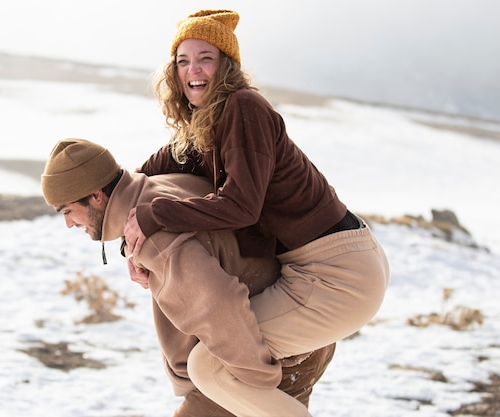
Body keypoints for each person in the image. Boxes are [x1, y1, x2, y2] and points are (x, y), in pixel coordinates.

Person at [123, 9, 390, 416]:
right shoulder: (208, 124)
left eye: (205, 58)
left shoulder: (243, 107)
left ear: (226, 65)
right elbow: (156, 167)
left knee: (211, 364)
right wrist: (130, 235)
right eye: (182, 60)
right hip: (316, 268)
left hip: (339, 273)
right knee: (222, 368)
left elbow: (241, 207)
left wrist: (157, 215)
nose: (192, 69)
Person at [41, 138, 336, 417]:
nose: (68, 224)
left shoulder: (154, 237)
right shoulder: (165, 186)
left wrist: (257, 380)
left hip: (254, 355)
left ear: (96, 196)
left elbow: (218, 303)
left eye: (69, 211)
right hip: (298, 336)